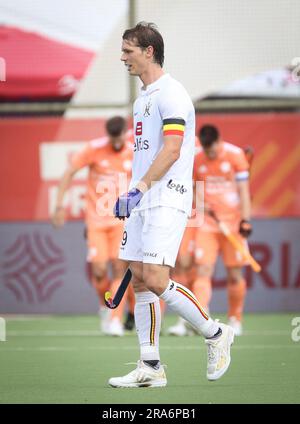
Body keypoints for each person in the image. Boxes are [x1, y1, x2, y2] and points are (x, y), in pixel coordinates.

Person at [108, 22, 234, 388]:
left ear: (149, 51)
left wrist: (139, 189)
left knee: (158, 279)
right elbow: (145, 154)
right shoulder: (141, 98)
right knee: (139, 277)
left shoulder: (172, 94)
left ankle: (215, 333)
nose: (122, 57)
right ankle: (150, 367)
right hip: (143, 198)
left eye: (128, 50)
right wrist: (132, 192)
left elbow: (173, 150)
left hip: (166, 197)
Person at [51, 116, 135, 336]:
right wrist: (59, 206)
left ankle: (115, 317)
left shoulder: (134, 151)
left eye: (120, 139)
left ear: (125, 134)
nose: (117, 144)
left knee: (119, 268)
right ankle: (104, 307)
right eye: (113, 139)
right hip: (96, 221)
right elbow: (68, 173)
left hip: (122, 221)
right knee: (98, 271)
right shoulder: (93, 149)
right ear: (108, 135)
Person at [191, 124, 252, 336]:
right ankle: (201, 317)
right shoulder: (197, 159)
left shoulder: (236, 156)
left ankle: (235, 318)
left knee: (234, 274)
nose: (210, 154)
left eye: (212, 150)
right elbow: (193, 189)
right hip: (208, 224)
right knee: (203, 270)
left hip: (233, 225)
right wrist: (201, 204)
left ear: (219, 141)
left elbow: (244, 192)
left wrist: (245, 220)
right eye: (206, 150)